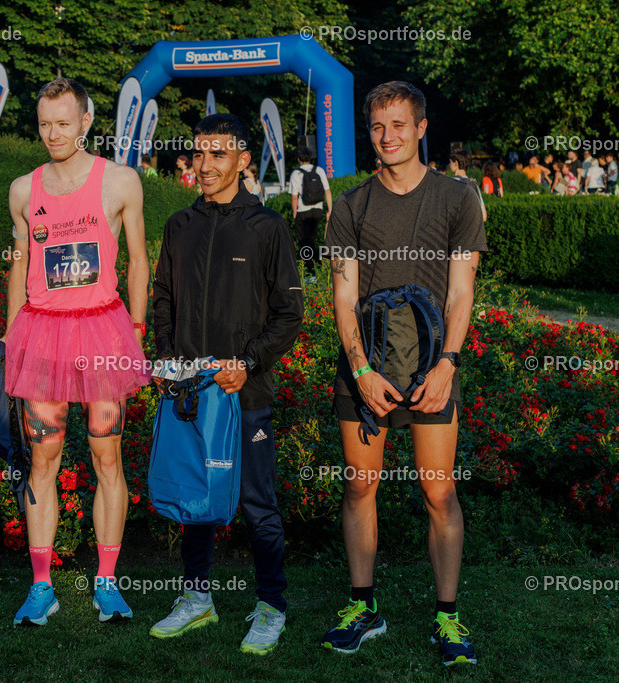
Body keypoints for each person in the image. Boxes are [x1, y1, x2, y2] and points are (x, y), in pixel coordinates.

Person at [322, 81, 486, 667]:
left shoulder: (458, 199)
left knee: (438, 491)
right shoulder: (351, 207)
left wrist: (449, 363)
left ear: (421, 128)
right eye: (376, 127)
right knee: (360, 485)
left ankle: (448, 617)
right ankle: (362, 607)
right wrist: (361, 369)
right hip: (365, 368)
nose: (386, 138)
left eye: (398, 126)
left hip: (433, 367)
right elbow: (343, 298)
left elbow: (462, 291)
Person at [150, 113, 303, 654]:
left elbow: (289, 313)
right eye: (200, 154)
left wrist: (249, 362)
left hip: (245, 396)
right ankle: (197, 599)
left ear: (243, 159)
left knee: (258, 504)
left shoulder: (268, 228)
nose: (206, 165)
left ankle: (270, 606)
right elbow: (162, 296)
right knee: (195, 500)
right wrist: (166, 357)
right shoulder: (179, 225)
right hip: (190, 396)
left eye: (219, 154)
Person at [0, 78, 150, 625]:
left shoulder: (121, 181)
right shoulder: (23, 190)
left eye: (64, 122)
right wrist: (13, 336)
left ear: (86, 122)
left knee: (107, 456)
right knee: (42, 459)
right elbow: (20, 265)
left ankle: (107, 581)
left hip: (103, 332)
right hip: (42, 334)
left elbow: (138, 257)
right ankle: (42, 587)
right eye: (44, 123)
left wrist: (134, 327)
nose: (53, 133)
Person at [290, 147, 332, 283]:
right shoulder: (319, 170)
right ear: (311, 158)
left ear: (298, 159)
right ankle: (317, 267)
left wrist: (294, 212)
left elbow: (294, 196)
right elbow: (327, 191)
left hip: (303, 211)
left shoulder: (296, 173)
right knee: (312, 240)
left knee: (304, 242)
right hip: (318, 210)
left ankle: (310, 272)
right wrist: (330, 210)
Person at [447, 150, 487, 221]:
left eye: (450, 162)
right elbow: (483, 216)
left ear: (456, 163)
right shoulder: (473, 184)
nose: (449, 165)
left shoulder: (450, 183)